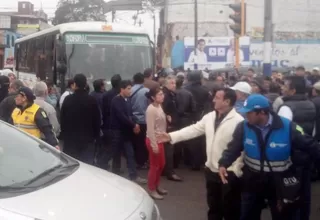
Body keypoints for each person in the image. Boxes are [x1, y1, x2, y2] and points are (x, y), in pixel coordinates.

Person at [218, 94, 320, 220]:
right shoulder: (243, 126)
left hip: (279, 183)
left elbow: (312, 146)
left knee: (283, 216)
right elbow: (233, 147)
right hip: (252, 180)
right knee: (247, 215)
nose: (245, 116)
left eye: (248, 113)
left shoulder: (288, 127)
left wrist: (305, 170)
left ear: (261, 112)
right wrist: (223, 163)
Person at [157, 88, 244, 220]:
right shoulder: (209, 117)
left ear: (227, 101)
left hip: (228, 173)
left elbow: (242, 150)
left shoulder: (239, 121)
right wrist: (170, 136)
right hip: (210, 170)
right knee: (213, 208)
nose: (213, 100)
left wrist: (235, 169)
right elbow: (194, 130)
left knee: (230, 209)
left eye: (217, 98)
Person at [60, 74, 101, 164]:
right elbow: (97, 121)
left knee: (71, 166)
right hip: (87, 141)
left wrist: (64, 135)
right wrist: (96, 136)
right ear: (86, 84)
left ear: (74, 84)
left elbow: (62, 119)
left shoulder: (68, 99)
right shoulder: (92, 100)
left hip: (70, 141)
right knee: (86, 167)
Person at [145, 87, 168, 200]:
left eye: (162, 94)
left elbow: (159, 121)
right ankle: (151, 189)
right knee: (155, 166)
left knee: (161, 164)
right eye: (159, 94)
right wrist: (154, 145)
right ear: (153, 97)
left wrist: (166, 117)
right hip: (153, 139)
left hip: (160, 139)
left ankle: (156, 185)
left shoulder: (159, 106)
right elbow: (150, 129)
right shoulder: (151, 109)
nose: (162, 96)